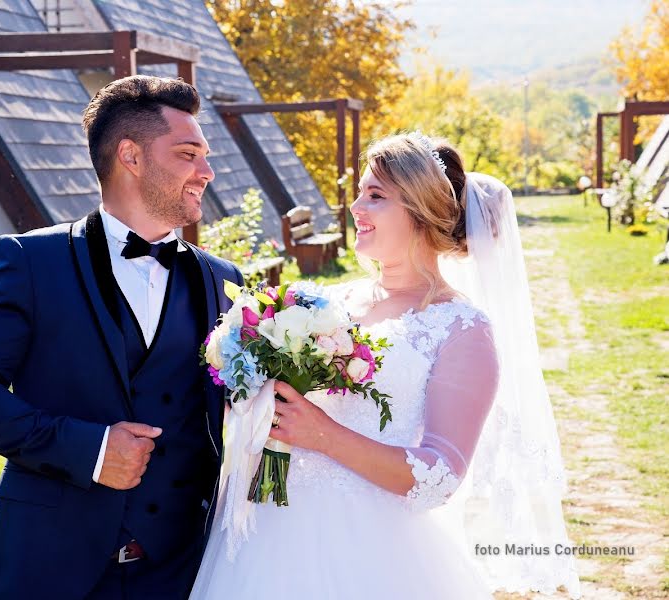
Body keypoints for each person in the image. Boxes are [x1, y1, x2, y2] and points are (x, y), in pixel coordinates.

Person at [191, 132, 581, 599]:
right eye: (359, 193)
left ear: (421, 211)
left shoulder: (461, 329)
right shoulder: (327, 303)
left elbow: (440, 475)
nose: (355, 207)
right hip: (265, 530)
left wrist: (323, 436)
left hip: (370, 552)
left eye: (375, 196)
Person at [0, 75, 242, 599]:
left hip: (186, 570)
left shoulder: (223, 279)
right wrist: (92, 450)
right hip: (54, 566)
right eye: (189, 153)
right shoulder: (31, 261)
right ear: (131, 155)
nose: (207, 172)